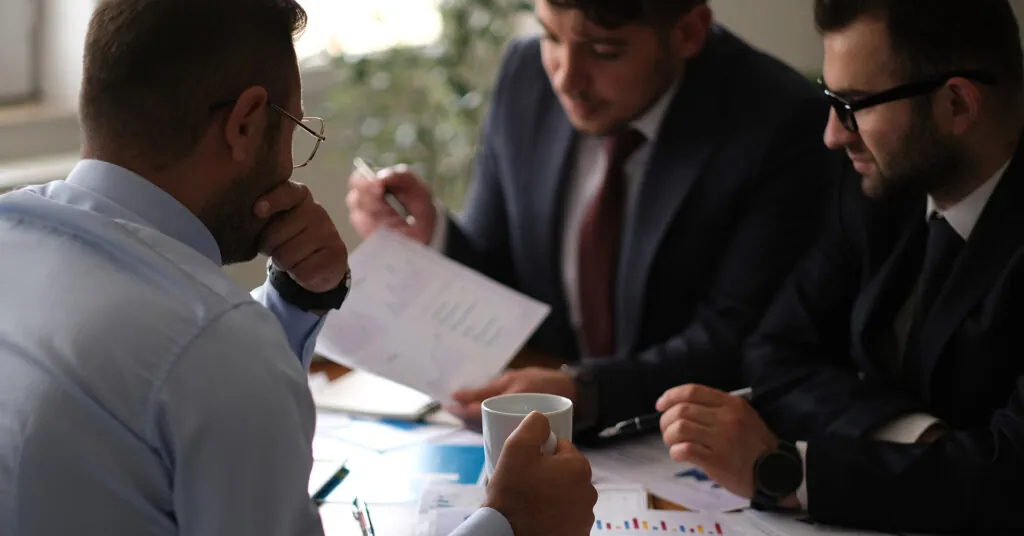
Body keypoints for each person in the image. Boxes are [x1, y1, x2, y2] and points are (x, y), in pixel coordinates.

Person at [0, 1, 596, 535]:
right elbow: (206, 368)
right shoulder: (218, 353)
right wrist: (512, 524)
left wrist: (293, 301)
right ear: (246, 122)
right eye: (296, 130)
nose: (291, 164)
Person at [346, 0, 835, 433]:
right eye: (551, 36)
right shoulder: (524, 73)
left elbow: (738, 337)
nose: (566, 78)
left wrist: (587, 392)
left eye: (604, 52)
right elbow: (504, 271)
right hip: (542, 426)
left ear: (687, 33)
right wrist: (432, 237)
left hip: (686, 442)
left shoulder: (782, 122)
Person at [656, 0, 1024, 532]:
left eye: (853, 104)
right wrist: (917, 436)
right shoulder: (881, 191)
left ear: (958, 105)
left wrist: (783, 473)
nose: (833, 133)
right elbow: (774, 353)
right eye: (830, 100)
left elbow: (1010, 479)